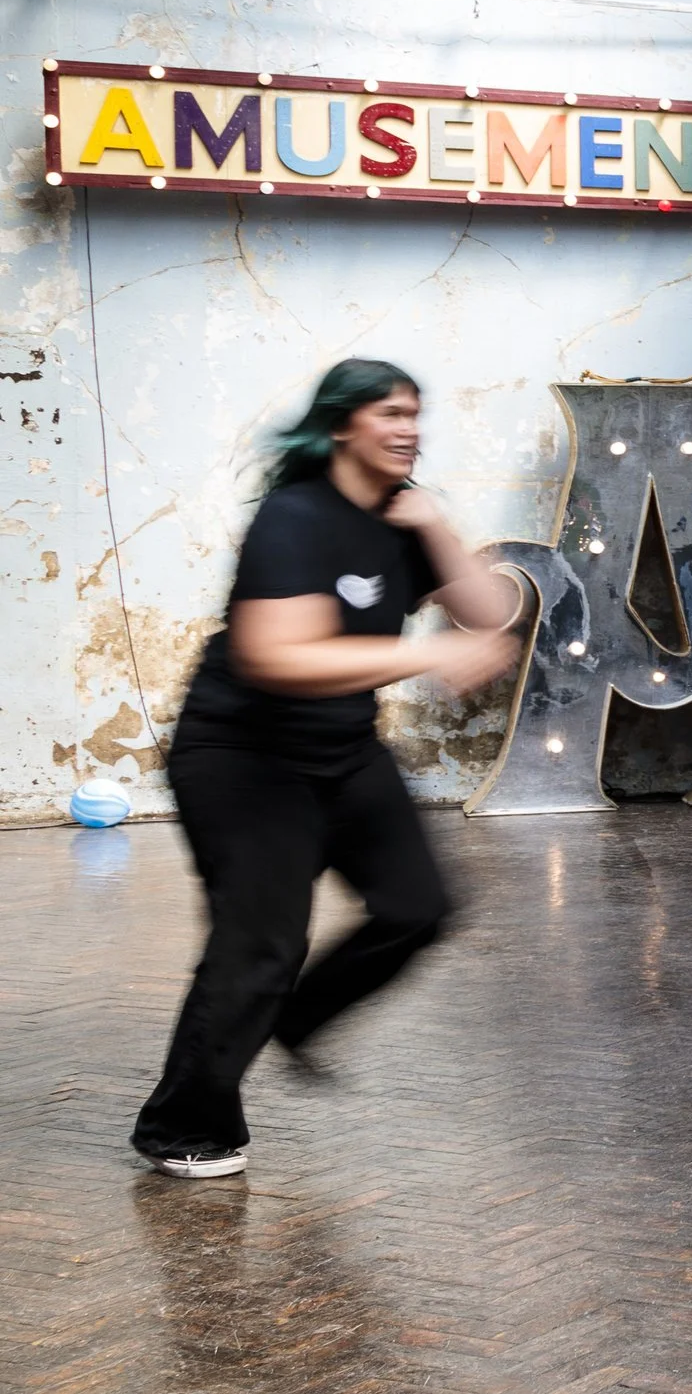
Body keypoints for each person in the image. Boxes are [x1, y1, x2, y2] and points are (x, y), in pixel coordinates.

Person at [131, 360, 520, 1179]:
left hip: (341, 748)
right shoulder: (294, 516)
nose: (408, 427)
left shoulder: (401, 519)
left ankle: (296, 1015)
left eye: (416, 412)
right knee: (261, 941)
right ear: (343, 424)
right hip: (243, 756)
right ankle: (183, 1125)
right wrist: (430, 650)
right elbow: (274, 655)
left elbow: (491, 611)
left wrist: (437, 524)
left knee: (419, 906)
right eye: (389, 412)